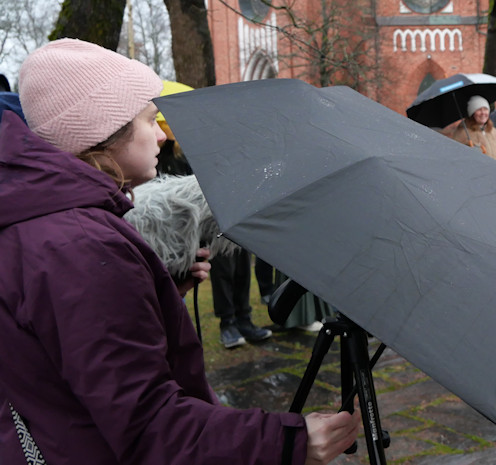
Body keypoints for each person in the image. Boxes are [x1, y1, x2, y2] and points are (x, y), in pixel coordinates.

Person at [0, 39, 358, 465]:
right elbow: (151, 428)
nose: (161, 135)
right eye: (150, 119)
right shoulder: (81, 245)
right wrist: (290, 442)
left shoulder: (43, 222)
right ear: (103, 130)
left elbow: (68, 351)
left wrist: (157, 293)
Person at [153, 109, 273, 349]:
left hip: (234, 215)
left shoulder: (201, 154)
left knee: (241, 270)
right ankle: (227, 323)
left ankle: (244, 319)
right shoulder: (161, 158)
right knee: (222, 272)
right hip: (204, 224)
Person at [446, 95, 496, 162]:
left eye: (485, 109)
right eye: (479, 110)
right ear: (472, 113)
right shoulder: (463, 132)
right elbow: (455, 156)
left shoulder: (493, 131)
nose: (483, 113)